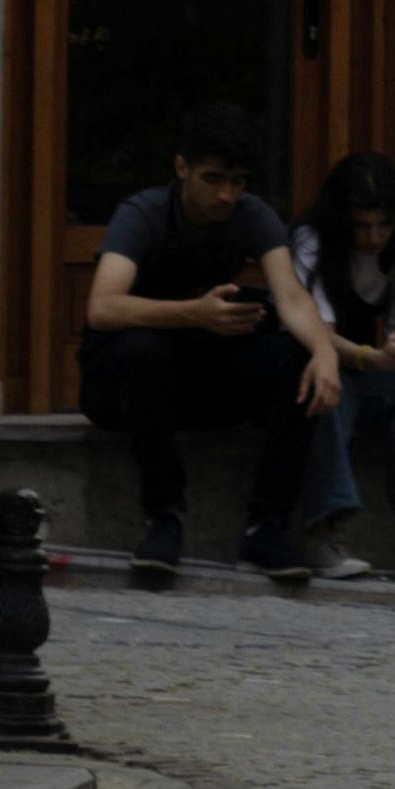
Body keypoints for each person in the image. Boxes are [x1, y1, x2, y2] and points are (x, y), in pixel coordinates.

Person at [78, 99, 338, 585]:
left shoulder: (252, 216)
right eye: (213, 179)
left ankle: (267, 526)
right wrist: (193, 314)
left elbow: (291, 297)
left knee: (296, 357)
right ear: (182, 168)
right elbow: (103, 306)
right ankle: (164, 518)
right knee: (143, 350)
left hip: (193, 379)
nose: (226, 195)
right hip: (121, 386)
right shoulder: (144, 213)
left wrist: (325, 354)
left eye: (238, 183)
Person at [290, 149, 395, 588]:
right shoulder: (312, 242)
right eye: (362, 226)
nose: (373, 237)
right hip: (325, 356)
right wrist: (374, 358)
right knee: (326, 381)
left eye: (383, 225)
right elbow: (317, 336)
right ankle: (326, 529)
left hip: (375, 366)